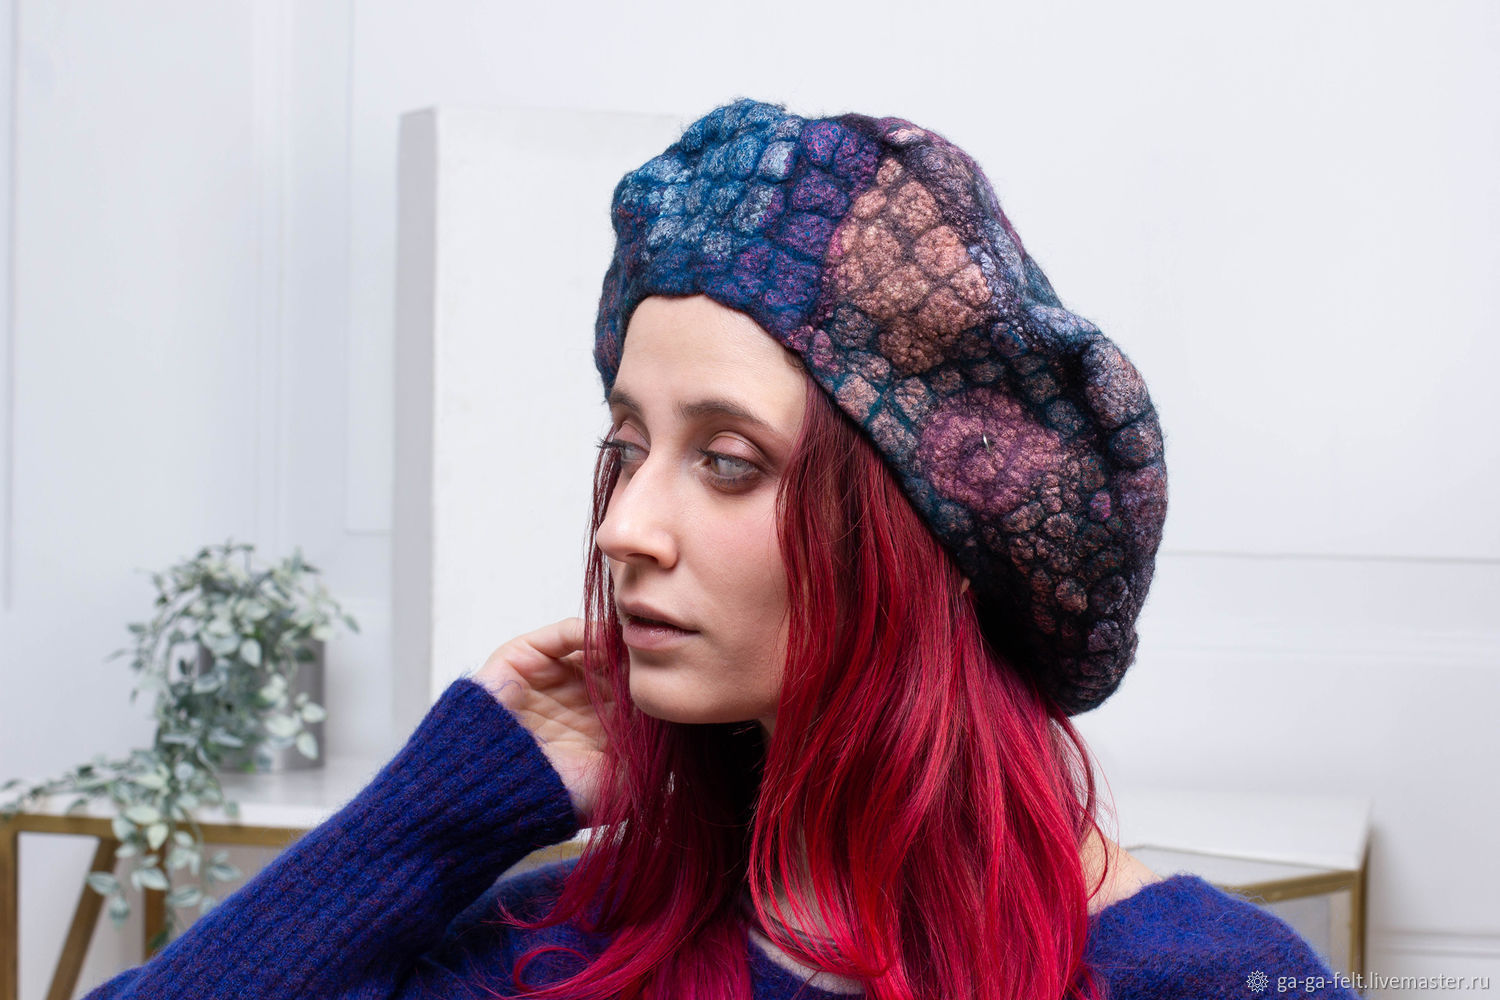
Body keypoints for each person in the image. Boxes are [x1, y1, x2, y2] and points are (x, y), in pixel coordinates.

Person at [84, 98, 1356, 999]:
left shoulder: (1205, 978)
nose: (623, 526)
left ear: (931, 535)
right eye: (628, 446)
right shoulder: (564, 949)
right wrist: (432, 819)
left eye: (729, 460)